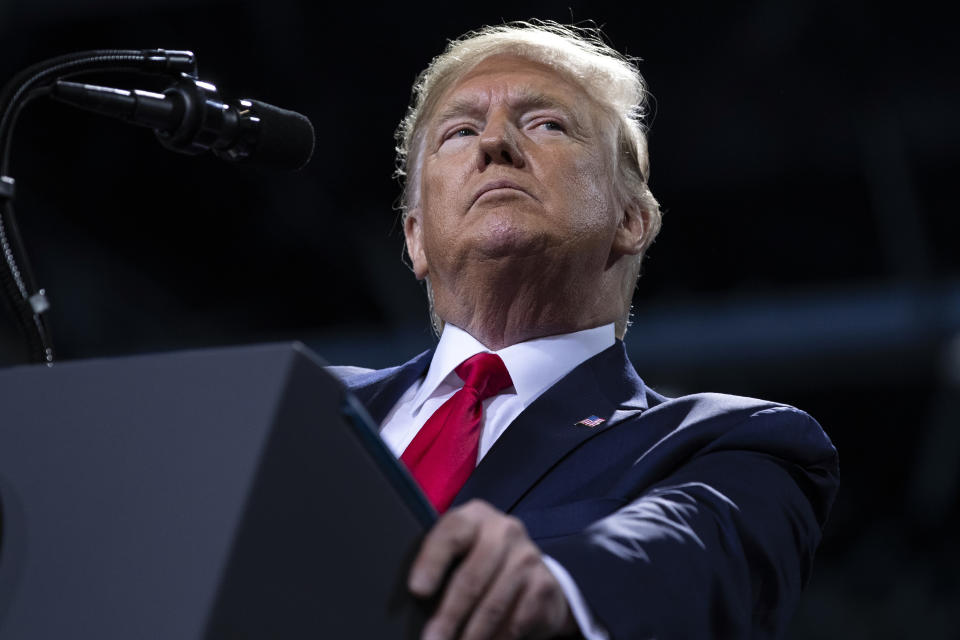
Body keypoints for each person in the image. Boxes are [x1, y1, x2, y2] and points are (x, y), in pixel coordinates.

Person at [332, 21, 839, 640]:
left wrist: (556, 584)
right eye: (460, 131)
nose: (495, 143)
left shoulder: (734, 446)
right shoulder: (303, 404)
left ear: (631, 220)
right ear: (415, 237)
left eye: (545, 123)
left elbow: (686, 551)